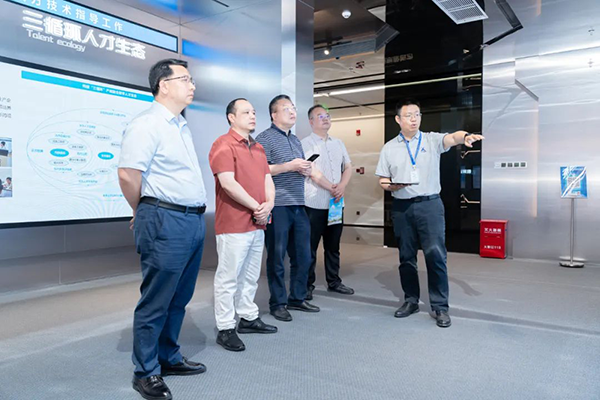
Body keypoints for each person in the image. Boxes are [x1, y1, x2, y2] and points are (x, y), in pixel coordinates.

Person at [118, 58, 208, 400]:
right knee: (156, 299)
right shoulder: (147, 123)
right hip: (164, 218)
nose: (192, 85)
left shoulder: (180, 125)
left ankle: (168, 356)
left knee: (179, 297)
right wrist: (140, 209)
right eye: (185, 79)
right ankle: (146, 371)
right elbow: (128, 173)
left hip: (191, 220)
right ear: (164, 85)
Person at [375, 99, 483, 328]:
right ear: (398, 119)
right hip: (402, 207)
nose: (414, 119)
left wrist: (465, 137)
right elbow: (382, 179)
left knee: (436, 255)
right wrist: (390, 186)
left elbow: (452, 137)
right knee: (406, 257)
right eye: (408, 115)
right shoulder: (389, 148)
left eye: (417, 114)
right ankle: (411, 300)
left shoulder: (431, 140)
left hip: (430, 206)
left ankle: (440, 306)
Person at [208, 98, 278, 352]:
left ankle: (248, 317)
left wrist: (269, 204)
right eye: (246, 112)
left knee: (250, 274)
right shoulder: (223, 144)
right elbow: (228, 183)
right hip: (234, 222)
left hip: (258, 222)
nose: (252, 116)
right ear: (231, 117)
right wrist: (257, 207)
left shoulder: (258, 148)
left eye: (253, 112)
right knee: (228, 278)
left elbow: (267, 179)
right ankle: (226, 327)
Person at [255, 95, 320, 322]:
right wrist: (288, 166)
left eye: (293, 108)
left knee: (303, 255)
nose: (293, 112)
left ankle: (297, 298)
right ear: (274, 115)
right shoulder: (264, 138)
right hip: (278, 205)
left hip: (298, 203)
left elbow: (294, 168)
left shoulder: (295, 140)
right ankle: (278, 303)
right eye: (286, 109)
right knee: (277, 256)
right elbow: (260, 170)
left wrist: (303, 169)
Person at [301, 105, 354, 300]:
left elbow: (348, 166)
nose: (325, 119)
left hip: (336, 204)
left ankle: (334, 282)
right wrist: (332, 187)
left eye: (327, 116)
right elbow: (311, 172)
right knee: (310, 247)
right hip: (313, 204)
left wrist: (342, 186)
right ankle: (307, 285)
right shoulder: (304, 144)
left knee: (333, 246)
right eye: (320, 116)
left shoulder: (338, 143)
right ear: (311, 121)